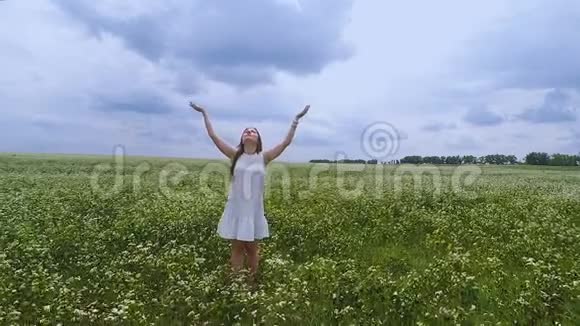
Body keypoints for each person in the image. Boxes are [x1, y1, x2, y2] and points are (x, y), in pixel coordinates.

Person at [189, 101, 309, 282]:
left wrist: (296, 120)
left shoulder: (264, 157)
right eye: (246, 131)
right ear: (242, 138)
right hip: (236, 208)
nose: (249, 132)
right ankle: (236, 284)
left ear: (258, 139)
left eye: (253, 131)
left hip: (253, 210)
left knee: (252, 249)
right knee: (237, 248)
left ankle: (252, 283)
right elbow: (213, 136)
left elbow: (285, 143)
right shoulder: (234, 154)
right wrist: (204, 112)